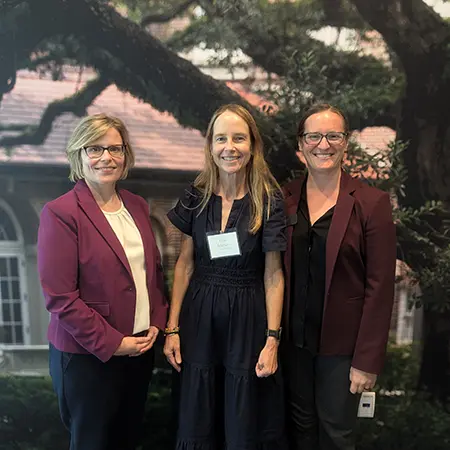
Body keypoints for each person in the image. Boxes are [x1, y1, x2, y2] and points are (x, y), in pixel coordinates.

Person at [37, 113, 167, 450]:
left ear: (126, 155)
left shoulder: (137, 206)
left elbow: (151, 273)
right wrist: (113, 343)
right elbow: (61, 298)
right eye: (94, 149)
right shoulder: (61, 213)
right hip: (88, 357)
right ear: (78, 155)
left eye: (115, 148)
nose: (106, 158)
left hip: (139, 350)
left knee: (127, 440)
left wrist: (157, 321)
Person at [164, 104, 287, 450]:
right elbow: (185, 265)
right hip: (199, 318)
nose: (229, 147)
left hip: (247, 319)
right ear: (210, 145)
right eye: (221, 139)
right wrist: (172, 329)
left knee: (242, 414)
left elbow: (274, 274)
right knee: (198, 414)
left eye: (238, 138)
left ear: (252, 146)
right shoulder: (195, 196)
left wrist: (272, 339)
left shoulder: (269, 201)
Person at [281, 103, 396, 450]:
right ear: (300, 145)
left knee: (336, 437)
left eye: (333, 136)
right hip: (293, 344)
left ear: (346, 143)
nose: (323, 144)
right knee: (298, 433)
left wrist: (367, 361)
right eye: (314, 136)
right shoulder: (283, 197)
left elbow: (381, 287)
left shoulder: (371, 203)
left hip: (342, 351)